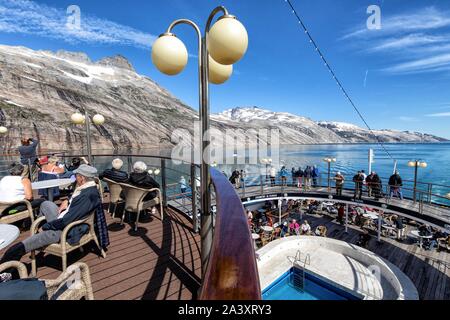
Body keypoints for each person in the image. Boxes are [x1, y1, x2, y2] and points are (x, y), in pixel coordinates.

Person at [0, 164, 102, 268]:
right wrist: (67, 200)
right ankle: (39, 235)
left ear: (82, 178)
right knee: (46, 204)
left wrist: (45, 227)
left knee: (16, 249)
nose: (75, 177)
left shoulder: (85, 196)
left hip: (63, 231)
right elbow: (74, 208)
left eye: (76, 175)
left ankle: (5, 268)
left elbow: (66, 221)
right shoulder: (88, 189)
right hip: (62, 221)